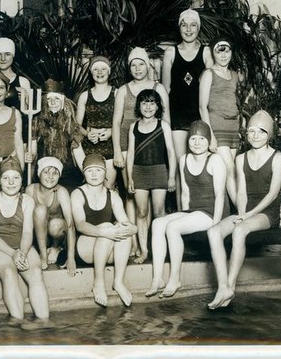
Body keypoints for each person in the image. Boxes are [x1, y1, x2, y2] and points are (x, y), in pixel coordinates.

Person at [206, 110, 281, 309]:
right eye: (251, 131)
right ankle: (223, 287)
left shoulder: (278, 157)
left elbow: (273, 194)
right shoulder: (241, 158)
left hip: (267, 213)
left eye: (261, 132)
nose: (255, 136)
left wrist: (247, 216)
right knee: (213, 231)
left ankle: (230, 286)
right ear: (246, 133)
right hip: (246, 211)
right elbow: (241, 192)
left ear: (269, 134)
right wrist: (241, 213)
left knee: (240, 230)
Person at [145, 120, 228, 298]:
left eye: (201, 139)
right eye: (193, 139)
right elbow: (185, 192)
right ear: (188, 140)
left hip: (212, 211)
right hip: (193, 210)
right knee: (158, 223)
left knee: (173, 227)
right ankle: (157, 278)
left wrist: (216, 225)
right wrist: (183, 216)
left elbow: (220, 195)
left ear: (208, 141)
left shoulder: (216, 160)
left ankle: (175, 279)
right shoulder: (183, 160)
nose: (197, 142)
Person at [112, 47, 170, 255]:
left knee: (155, 201)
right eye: (133, 65)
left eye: (141, 64)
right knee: (132, 195)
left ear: (148, 65)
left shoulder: (158, 88)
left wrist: (162, 151)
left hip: (152, 145)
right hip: (129, 145)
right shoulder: (122, 90)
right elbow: (116, 122)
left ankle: (156, 245)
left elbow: (166, 119)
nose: (137, 68)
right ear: (129, 68)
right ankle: (135, 243)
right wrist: (117, 151)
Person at [0, 156, 49, 321]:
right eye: (6, 178)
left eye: (15, 178)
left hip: (22, 245)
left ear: (21, 180)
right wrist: (13, 254)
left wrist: (22, 252)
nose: (11, 182)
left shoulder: (27, 200)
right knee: (9, 272)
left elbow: (27, 233)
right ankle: (18, 325)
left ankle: (44, 325)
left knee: (36, 272)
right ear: (0, 180)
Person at [162, 9, 213, 211]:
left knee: (200, 167)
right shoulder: (171, 52)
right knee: (180, 167)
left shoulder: (206, 53)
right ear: (179, 27)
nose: (188, 29)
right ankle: (183, 212)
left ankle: (202, 212)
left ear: (198, 28)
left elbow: (212, 84)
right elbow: (165, 89)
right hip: (176, 117)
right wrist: (166, 120)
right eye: (184, 25)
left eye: (193, 25)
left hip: (198, 117)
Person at [71, 154, 137, 307]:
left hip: (106, 250)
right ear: (84, 173)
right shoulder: (77, 194)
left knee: (122, 229)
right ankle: (98, 283)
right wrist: (105, 231)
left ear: (105, 173)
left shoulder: (113, 195)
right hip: (84, 248)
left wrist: (132, 228)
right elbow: (80, 225)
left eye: (98, 170)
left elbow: (127, 223)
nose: (94, 174)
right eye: (89, 171)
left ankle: (118, 282)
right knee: (108, 226)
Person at [126, 89, 176, 264]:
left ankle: (159, 249)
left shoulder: (164, 125)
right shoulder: (134, 126)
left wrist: (171, 177)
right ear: (139, 106)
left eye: (152, 103)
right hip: (139, 172)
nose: (148, 107)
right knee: (141, 212)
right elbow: (130, 154)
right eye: (144, 103)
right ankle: (144, 250)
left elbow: (171, 153)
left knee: (159, 212)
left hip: (159, 171)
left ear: (158, 106)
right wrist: (130, 178)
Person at [199, 38, 242, 205]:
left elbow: (238, 102)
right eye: (219, 51)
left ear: (231, 53)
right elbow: (202, 107)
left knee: (229, 173)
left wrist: (240, 128)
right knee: (230, 170)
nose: (223, 55)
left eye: (227, 51)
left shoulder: (236, 75)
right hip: (217, 126)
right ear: (213, 53)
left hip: (233, 127)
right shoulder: (208, 74)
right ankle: (242, 213)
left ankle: (224, 213)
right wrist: (210, 135)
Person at [26, 78, 86, 189]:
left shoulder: (70, 123)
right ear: (44, 102)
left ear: (63, 102)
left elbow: (78, 151)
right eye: (49, 99)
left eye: (57, 99)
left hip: (67, 174)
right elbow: (33, 149)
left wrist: (86, 172)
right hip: (44, 171)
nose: (53, 103)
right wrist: (31, 156)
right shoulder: (36, 121)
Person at [25, 156, 76, 275]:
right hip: (37, 235)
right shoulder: (30, 190)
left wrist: (71, 258)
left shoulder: (61, 192)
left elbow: (70, 225)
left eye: (55, 173)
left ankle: (55, 247)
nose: (50, 177)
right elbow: (25, 221)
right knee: (40, 210)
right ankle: (43, 255)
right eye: (46, 172)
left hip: (56, 234)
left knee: (55, 224)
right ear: (39, 174)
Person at [76, 56, 117, 189]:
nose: (100, 72)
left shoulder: (117, 93)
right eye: (96, 69)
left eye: (103, 69)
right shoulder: (84, 96)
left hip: (111, 145)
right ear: (91, 73)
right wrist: (87, 134)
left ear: (109, 71)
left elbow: (123, 121)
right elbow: (76, 125)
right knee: (91, 186)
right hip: (90, 145)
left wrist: (111, 132)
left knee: (108, 186)